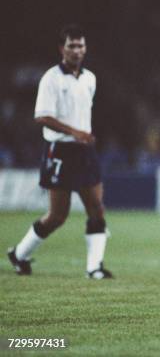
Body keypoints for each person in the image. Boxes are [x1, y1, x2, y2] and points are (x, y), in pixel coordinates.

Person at [7, 24, 113, 280]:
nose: (77, 51)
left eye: (81, 46)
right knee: (57, 216)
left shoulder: (90, 78)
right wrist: (75, 132)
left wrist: (84, 135)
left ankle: (94, 268)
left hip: (84, 152)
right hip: (60, 152)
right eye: (72, 46)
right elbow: (42, 116)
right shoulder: (51, 78)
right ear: (61, 49)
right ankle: (19, 254)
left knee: (97, 209)